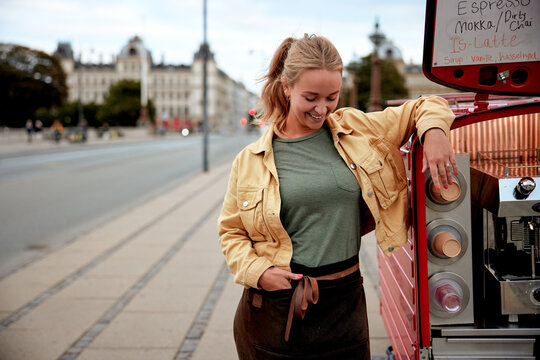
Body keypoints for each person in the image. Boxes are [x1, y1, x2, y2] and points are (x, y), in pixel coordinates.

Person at [217, 34, 457, 359]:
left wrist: (435, 133)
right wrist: (258, 272)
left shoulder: (357, 130)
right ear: (287, 87)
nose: (322, 109)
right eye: (311, 97)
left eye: (332, 96)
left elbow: (428, 104)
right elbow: (231, 232)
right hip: (275, 310)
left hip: (345, 304)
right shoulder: (251, 160)